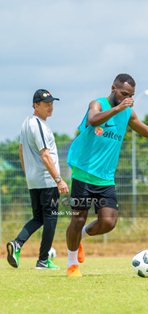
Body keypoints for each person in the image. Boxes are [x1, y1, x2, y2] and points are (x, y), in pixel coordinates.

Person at [66, 73, 148, 277]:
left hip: (105, 177)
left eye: (131, 95)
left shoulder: (128, 113)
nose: (128, 98)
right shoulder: (98, 104)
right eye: (125, 93)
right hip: (83, 172)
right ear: (113, 88)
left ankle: (80, 237)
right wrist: (118, 108)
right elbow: (92, 120)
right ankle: (72, 263)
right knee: (78, 218)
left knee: (108, 222)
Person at [6, 89, 69, 269]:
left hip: (34, 180)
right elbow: (45, 155)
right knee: (51, 218)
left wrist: (29, 175)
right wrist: (59, 179)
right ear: (36, 105)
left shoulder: (26, 123)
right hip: (47, 180)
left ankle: (17, 243)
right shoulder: (38, 125)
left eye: (51, 103)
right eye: (46, 104)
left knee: (39, 218)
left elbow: (21, 151)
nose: (50, 107)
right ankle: (43, 260)